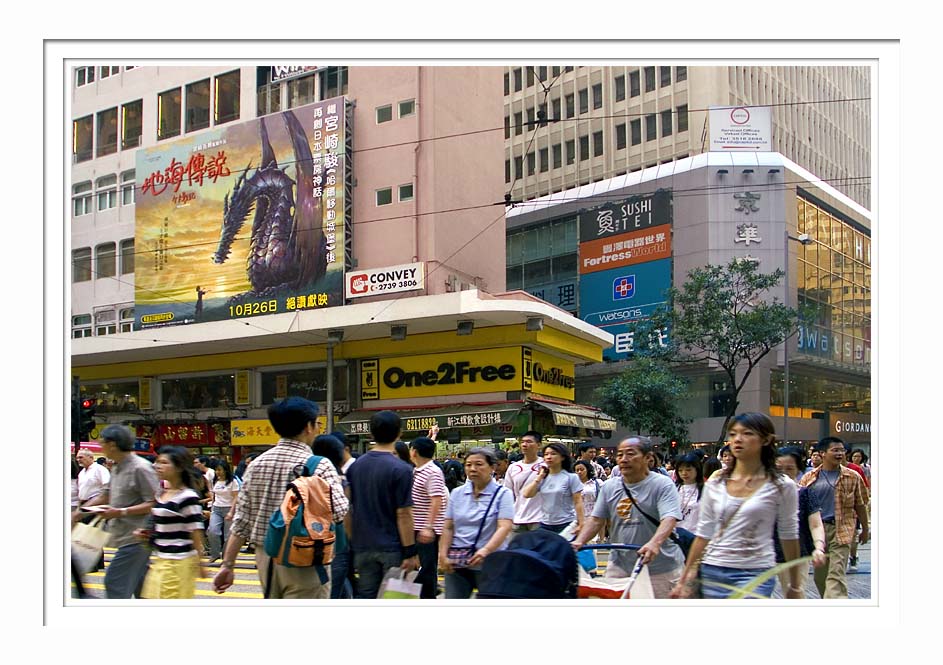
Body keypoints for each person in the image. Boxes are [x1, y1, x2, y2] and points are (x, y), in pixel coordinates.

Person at [212, 397, 348, 599]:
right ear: (308, 427)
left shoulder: (256, 465)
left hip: (266, 557)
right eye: (316, 424)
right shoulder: (320, 465)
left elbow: (241, 522)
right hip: (305, 557)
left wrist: (227, 565)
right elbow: (339, 511)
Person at [671, 413, 801, 600]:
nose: (738, 439)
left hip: (756, 571)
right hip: (713, 570)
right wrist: (684, 579)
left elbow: (789, 534)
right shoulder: (716, 483)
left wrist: (794, 585)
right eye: (733, 434)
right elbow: (704, 533)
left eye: (747, 433)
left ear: (765, 440)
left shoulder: (781, 485)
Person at [572, 436, 685, 598]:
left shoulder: (663, 484)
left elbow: (669, 518)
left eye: (630, 454)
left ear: (648, 458)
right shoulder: (610, 487)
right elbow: (597, 519)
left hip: (660, 567)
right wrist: (579, 541)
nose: (623, 460)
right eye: (620, 455)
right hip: (619, 564)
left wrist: (655, 543)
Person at [76, 425, 160, 598]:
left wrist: (120, 512)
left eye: (102, 443)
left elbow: (154, 503)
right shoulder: (116, 467)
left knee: (114, 582)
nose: (101, 447)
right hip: (123, 535)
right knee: (142, 588)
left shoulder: (141, 468)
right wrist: (82, 512)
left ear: (112, 445)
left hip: (138, 537)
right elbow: (107, 494)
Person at [345, 410, 419, 599]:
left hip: (362, 546)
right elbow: (403, 514)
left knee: (365, 596)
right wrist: (410, 552)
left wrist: (355, 539)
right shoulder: (401, 468)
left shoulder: (355, 466)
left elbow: (347, 509)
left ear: (370, 434)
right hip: (392, 547)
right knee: (393, 598)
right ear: (399, 433)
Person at [798, 436, 870, 599]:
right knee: (820, 577)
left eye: (842, 450)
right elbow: (801, 509)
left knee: (836, 576)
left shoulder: (853, 476)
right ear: (822, 453)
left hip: (842, 530)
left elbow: (860, 505)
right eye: (835, 450)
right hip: (817, 533)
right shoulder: (809, 479)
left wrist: (865, 529)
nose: (840, 454)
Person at [438, 447, 514, 598]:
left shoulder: (503, 494)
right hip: (457, 561)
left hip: (490, 562)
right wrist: (442, 553)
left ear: (492, 467)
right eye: (468, 464)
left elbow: (504, 527)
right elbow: (448, 527)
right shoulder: (457, 493)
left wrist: (486, 550)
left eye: (479, 464)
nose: (473, 469)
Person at [138, 446, 208, 598]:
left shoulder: (188, 497)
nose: (157, 466)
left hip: (177, 562)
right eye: (157, 462)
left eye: (164, 463)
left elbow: (196, 531)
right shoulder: (161, 493)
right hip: (160, 559)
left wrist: (201, 564)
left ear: (179, 467)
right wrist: (147, 535)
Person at [774, 446, 828, 597]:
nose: (783, 473)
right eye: (778, 469)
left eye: (789, 468)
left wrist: (819, 547)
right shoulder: (763, 495)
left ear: (798, 470)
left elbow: (816, 524)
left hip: (797, 554)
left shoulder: (805, 494)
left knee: (794, 593)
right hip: (765, 554)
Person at [312, 433, 355, 599]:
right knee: (334, 588)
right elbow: (343, 512)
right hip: (336, 543)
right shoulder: (338, 480)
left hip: (313, 540)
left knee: (339, 587)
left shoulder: (306, 474)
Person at [409, 435, 448, 599]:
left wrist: (428, 527)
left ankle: (428, 598)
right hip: (417, 527)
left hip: (425, 530)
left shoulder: (432, 471)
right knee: (420, 567)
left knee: (427, 569)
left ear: (414, 452)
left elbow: (437, 499)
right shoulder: (418, 470)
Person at [522, 442, 584, 535]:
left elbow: (578, 501)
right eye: (546, 454)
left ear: (562, 457)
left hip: (566, 523)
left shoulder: (571, 477)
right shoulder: (543, 477)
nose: (549, 457)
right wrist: (539, 477)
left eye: (553, 454)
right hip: (545, 523)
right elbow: (527, 494)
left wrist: (581, 523)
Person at [503, 430, 547, 536]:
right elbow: (508, 494)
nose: (524, 445)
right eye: (522, 442)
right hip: (517, 518)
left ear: (539, 445)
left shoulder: (545, 465)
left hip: (540, 519)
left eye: (529, 442)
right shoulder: (513, 467)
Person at [206, 459, 239, 563]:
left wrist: (231, 512)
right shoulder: (215, 481)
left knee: (227, 536)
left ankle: (226, 557)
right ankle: (215, 554)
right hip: (216, 509)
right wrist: (211, 509)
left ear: (225, 470)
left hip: (229, 508)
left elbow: (235, 498)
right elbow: (214, 495)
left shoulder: (233, 481)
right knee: (212, 531)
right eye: (216, 470)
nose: (218, 472)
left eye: (220, 470)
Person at [673, 452, 704, 533]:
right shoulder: (674, 488)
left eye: (688, 470)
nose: (684, 473)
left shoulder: (705, 489)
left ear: (697, 469)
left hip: (696, 535)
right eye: (680, 470)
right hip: (676, 534)